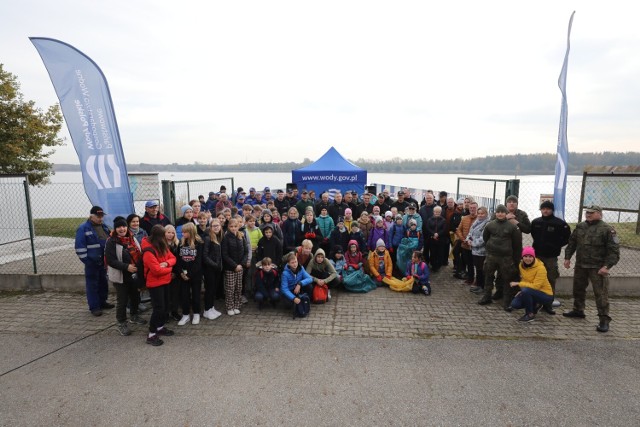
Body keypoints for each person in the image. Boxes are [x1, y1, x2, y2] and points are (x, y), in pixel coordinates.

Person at [563, 205, 620, 332]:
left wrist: (607, 266)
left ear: (599, 214)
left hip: (598, 268)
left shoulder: (607, 230)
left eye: (591, 213)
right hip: (581, 265)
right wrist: (567, 258)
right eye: (587, 212)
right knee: (578, 289)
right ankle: (578, 310)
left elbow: (614, 251)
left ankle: (604, 320)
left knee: (601, 294)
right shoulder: (580, 226)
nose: (588, 214)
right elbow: (572, 243)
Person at [105, 216, 146, 336]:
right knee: (122, 301)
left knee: (135, 297)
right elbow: (111, 260)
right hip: (121, 275)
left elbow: (139, 253)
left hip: (134, 274)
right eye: (119, 227)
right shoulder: (111, 241)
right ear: (115, 228)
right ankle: (121, 322)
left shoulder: (132, 238)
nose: (122, 229)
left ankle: (134, 316)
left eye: (123, 226)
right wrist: (126, 267)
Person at [530, 200, 571, 313]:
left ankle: (548, 305)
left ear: (552, 210)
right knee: (536, 279)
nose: (545, 210)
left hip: (551, 257)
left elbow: (567, 237)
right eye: (543, 209)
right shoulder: (536, 222)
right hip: (537, 256)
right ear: (541, 210)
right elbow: (533, 234)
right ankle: (535, 303)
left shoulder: (560, 223)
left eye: (548, 208)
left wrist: (555, 246)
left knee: (550, 280)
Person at [478, 204, 522, 307]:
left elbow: (517, 245)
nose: (500, 214)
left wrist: (516, 260)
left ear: (506, 213)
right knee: (488, 276)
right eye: (498, 212)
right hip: (491, 256)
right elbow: (486, 238)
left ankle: (507, 300)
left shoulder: (513, 227)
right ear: (496, 213)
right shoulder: (490, 225)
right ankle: (487, 296)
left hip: (506, 258)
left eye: (502, 212)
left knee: (507, 278)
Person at [75, 206, 113, 316]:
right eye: (98, 216)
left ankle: (102, 302)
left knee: (103, 283)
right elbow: (79, 247)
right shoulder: (83, 228)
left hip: (103, 261)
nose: (100, 218)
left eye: (101, 216)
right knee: (92, 285)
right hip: (92, 262)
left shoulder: (104, 227)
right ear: (91, 216)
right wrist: (87, 261)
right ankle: (94, 307)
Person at [141, 224, 177, 346]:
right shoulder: (148, 251)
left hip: (165, 281)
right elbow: (156, 270)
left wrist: (166, 264)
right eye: (163, 236)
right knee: (158, 308)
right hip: (155, 283)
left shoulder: (162, 245)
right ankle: (151, 334)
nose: (165, 238)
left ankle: (160, 327)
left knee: (165, 306)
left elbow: (173, 258)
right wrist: (170, 269)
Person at [509, 247, 555, 322]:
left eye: (530, 256)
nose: (528, 259)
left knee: (526, 291)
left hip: (545, 294)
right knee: (515, 304)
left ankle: (530, 314)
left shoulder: (541, 268)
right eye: (525, 256)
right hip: (530, 291)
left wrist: (519, 284)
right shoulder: (521, 265)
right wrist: (522, 291)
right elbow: (524, 279)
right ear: (522, 257)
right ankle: (536, 304)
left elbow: (536, 286)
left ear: (534, 257)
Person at [175, 223, 204, 326]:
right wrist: (181, 273)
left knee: (196, 295)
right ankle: (185, 314)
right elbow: (177, 259)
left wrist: (190, 274)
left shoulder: (199, 243)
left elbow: (199, 261)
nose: (182, 233)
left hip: (195, 275)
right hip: (183, 275)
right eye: (182, 231)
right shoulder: (181, 243)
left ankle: (196, 313)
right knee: (184, 295)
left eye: (185, 232)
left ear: (191, 232)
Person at [221, 218, 248, 316]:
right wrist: (234, 265)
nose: (233, 228)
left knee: (238, 287)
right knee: (230, 288)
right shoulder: (225, 238)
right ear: (228, 227)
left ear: (238, 226)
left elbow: (246, 251)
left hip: (240, 267)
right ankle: (230, 306)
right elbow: (225, 254)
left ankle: (237, 306)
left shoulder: (241, 236)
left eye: (235, 226)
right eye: (231, 226)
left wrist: (241, 264)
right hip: (230, 268)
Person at [202, 219, 224, 320]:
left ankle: (211, 307)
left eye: (218, 226)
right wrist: (214, 265)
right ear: (210, 227)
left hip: (217, 269)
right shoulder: (207, 238)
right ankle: (206, 310)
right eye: (214, 226)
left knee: (213, 290)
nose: (216, 227)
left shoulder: (218, 237)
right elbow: (205, 256)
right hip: (209, 269)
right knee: (209, 290)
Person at [466, 206, 489, 294]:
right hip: (475, 250)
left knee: (482, 269)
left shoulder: (487, 224)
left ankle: (482, 286)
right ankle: (478, 285)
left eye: (482, 213)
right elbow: (470, 232)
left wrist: (473, 243)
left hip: (482, 251)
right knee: (478, 269)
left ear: (486, 214)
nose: (480, 215)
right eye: (479, 213)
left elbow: (483, 238)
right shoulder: (476, 221)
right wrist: (468, 239)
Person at [454, 201, 478, 283]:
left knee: (476, 264)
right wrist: (463, 239)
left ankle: (477, 280)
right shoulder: (464, 218)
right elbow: (458, 230)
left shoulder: (479, 219)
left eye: (474, 208)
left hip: (475, 246)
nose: (472, 209)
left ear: (477, 209)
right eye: (471, 208)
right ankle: (470, 278)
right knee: (468, 263)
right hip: (464, 245)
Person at [164, 225, 181, 321]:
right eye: (168, 232)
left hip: (175, 273)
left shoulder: (177, 244)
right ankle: (166, 313)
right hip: (165, 273)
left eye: (172, 232)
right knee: (166, 295)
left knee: (175, 294)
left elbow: (178, 260)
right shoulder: (161, 245)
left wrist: (175, 272)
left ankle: (174, 312)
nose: (170, 235)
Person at [425, 206, 449, 272]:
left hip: (440, 239)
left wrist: (438, 234)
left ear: (440, 212)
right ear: (433, 212)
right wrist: (433, 234)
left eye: (438, 212)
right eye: (436, 212)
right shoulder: (429, 219)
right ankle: (433, 265)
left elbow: (444, 229)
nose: (437, 213)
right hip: (432, 239)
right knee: (433, 253)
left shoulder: (443, 220)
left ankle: (438, 265)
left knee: (440, 253)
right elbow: (428, 228)